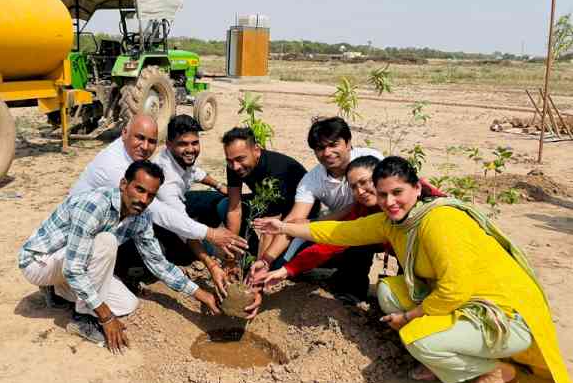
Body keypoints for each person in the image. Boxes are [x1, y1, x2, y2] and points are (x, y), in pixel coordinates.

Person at [254, 157, 571, 383]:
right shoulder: (393, 221)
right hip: (463, 303)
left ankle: (498, 373)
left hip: (504, 315)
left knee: (417, 339)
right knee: (389, 291)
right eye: (382, 194)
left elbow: (454, 290)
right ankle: (444, 355)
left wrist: (409, 318)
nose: (389, 201)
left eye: (397, 192)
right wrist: (283, 226)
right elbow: (337, 233)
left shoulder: (439, 222)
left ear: (417, 189)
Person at [19, 160, 221, 353]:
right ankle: (82, 320)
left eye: (151, 195)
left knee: (126, 304)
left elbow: (158, 263)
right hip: (39, 262)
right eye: (139, 190)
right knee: (106, 241)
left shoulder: (141, 216)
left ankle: (56, 290)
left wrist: (201, 294)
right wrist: (105, 317)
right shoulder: (95, 205)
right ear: (124, 184)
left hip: (70, 264)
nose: (143, 200)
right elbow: (73, 268)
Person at [256, 155, 444, 299]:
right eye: (353, 187)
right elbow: (332, 239)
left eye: (364, 182)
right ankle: (353, 293)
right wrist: (287, 269)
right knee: (358, 245)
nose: (360, 191)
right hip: (403, 252)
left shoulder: (434, 212)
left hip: (437, 270)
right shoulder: (363, 210)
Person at [68, 113, 244, 258]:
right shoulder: (115, 167)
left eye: (151, 141)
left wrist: (219, 185)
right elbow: (160, 212)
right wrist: (211, 237)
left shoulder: (132, 153)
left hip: (113, 220)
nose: (145, 147)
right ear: (124, 133)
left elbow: (196, 172)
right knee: (167, 247)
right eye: (139, 138)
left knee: (213, 202)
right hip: (80, 235)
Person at [249, 117, 383, 297]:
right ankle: (341, 273)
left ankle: (353, 288)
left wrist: (315, 220)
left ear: (348, 142)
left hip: (373, 227)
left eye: (334, 144)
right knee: (285, 262)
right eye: (320, 148)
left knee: (361, 241)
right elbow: (293, 224)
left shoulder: (372, 161)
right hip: (344, 228)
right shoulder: (312, 180)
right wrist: (266, 261)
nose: (328, 152)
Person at [151, 115, 245, 295]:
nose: (190, 149)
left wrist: (219, 186)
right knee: (197, 250)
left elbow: (196, 173)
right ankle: (180, 255)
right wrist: (211, 263)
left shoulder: (182, 159)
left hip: (181, 204)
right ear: (169, 145)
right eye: (183, 144)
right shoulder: (167, 182)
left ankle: (210, 243)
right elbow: (182, 227)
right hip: (161, 223)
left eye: (194, 143)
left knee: (218, 199)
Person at [187, 126, 309, 260]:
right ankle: (248, 253)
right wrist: (231, 256)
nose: (235, 166)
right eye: (230, 160)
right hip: (268, 205)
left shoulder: (275, 170)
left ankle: (258, 262)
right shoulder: (234, 165)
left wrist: (262, 265)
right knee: (224, 205)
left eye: (240, 159)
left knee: (276, 263)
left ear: (256, 150)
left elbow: (270, 227)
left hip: (298, 214)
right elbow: (234, 209)